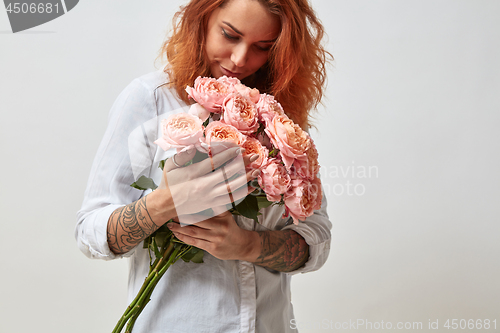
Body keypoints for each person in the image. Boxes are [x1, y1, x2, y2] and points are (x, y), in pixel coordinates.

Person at [76, 0, 332, 332]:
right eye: (229, 35)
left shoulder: (281, 121)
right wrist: (164, 203)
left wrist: (248, 245)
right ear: (202, 20)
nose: (240, 59)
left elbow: (317, 238)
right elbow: (89, 231)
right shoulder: (150, 99)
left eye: (262, 47)